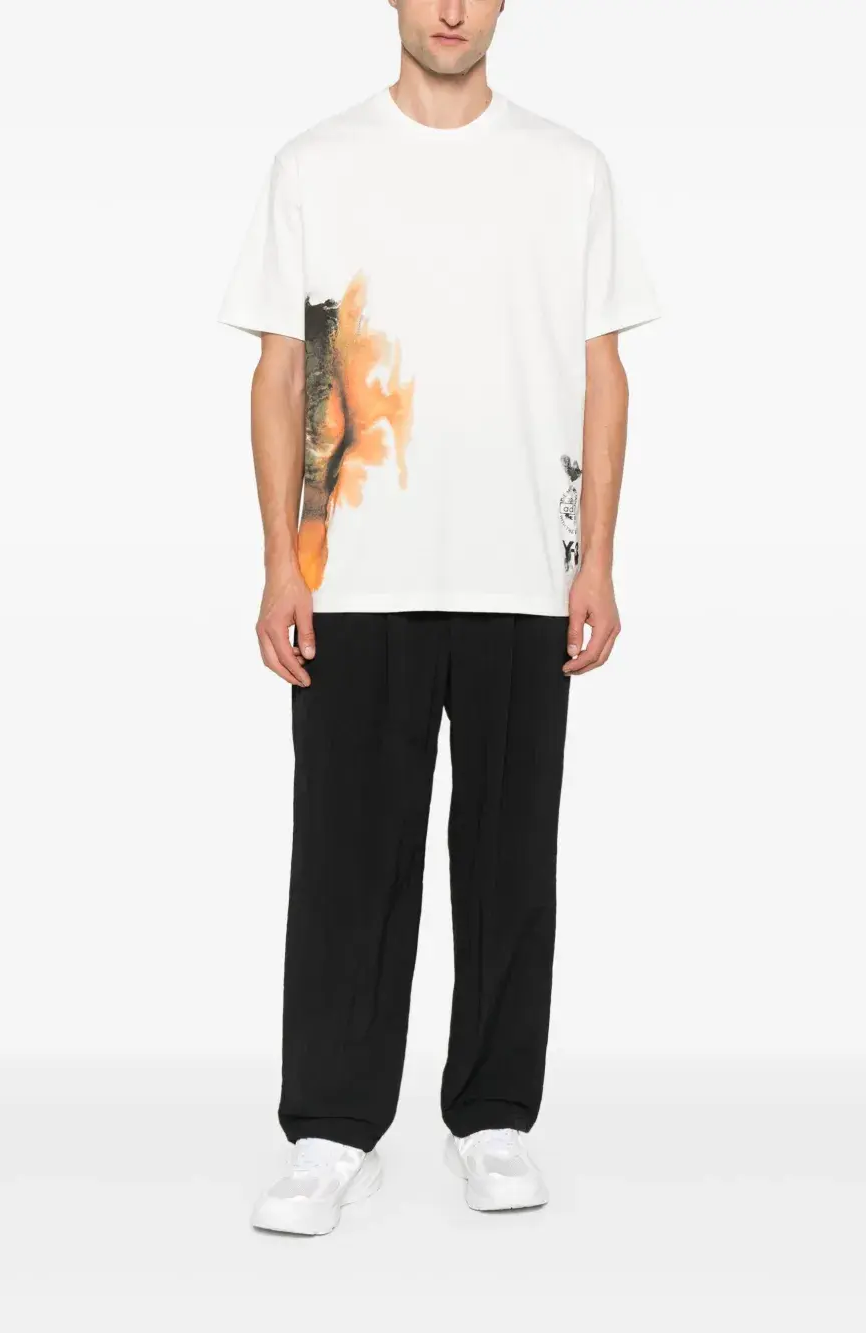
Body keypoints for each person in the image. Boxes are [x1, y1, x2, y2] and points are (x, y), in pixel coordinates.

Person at [218, 0, 660, 1235]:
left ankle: (494, 1117)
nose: (452, 10)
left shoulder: (569, 169)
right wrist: (281, 561)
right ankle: (329, 1130)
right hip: (354, 567)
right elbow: (281, 371)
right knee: (347, 861)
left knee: (510, 859)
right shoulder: (315, 164)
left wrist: (595, 560)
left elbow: (602, 373)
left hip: (523, 568)